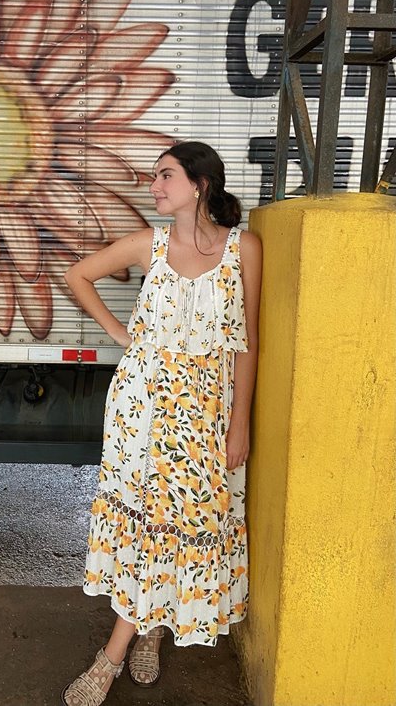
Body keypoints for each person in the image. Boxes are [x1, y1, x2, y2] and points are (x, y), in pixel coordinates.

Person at [61, 141, 262, 706]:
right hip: (141, 412)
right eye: (154, 177)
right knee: (144, 527)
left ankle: (139, 634)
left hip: (204, 414)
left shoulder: (244, 249)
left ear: (200, 183)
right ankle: (122, 649)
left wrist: (239, 423)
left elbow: (246, 343)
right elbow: (78, 276)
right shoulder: (149, 245)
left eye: (164, 176)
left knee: (185, 521)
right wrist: (123, 337)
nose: (154, 186)